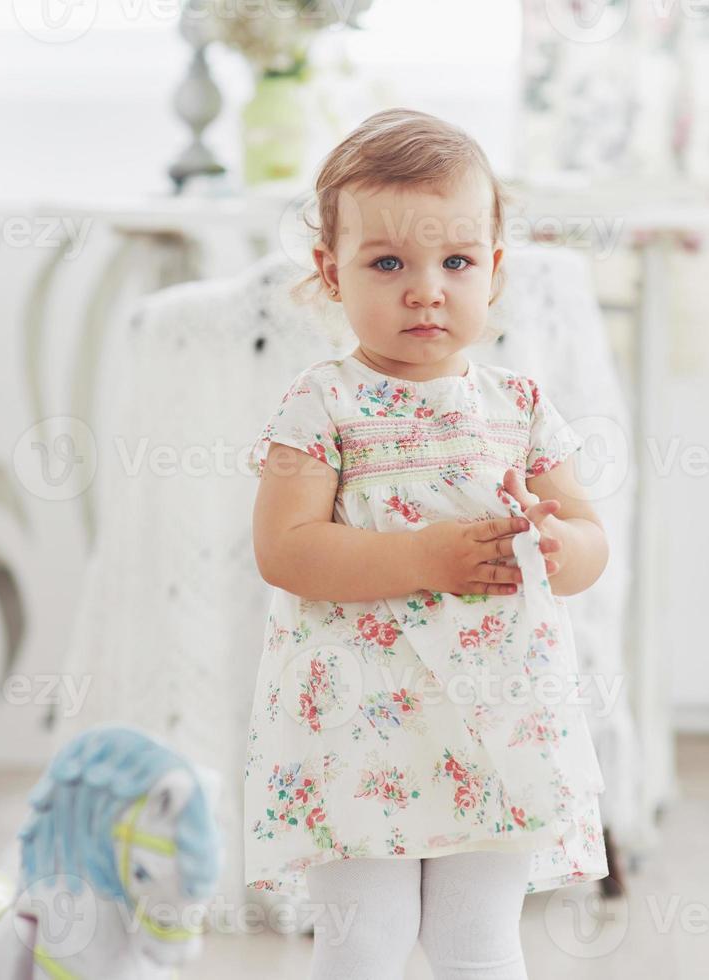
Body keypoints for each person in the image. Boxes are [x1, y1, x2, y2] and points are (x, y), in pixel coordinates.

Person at [244, 108, 609, 979]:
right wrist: (428, 559)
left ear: (494, 269)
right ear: (333, 275)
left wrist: (558, 545)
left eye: (455, 262)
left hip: (495, 722)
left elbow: (590, 540)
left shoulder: (517, 406)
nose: (426, 289)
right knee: (362, 943)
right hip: (356, 727)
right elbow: (286, 549)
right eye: (388, 264)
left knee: (478, 943)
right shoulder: (323, 403)